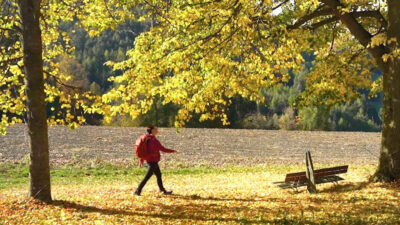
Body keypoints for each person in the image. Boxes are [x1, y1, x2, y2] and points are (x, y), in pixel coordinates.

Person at [135, 126, 177, 196]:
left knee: (159, 175)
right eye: (156, 129)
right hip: (152, 161)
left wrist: (141, 159)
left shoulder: (148, 138)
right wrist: (172, 151)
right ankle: (137, 191)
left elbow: (145, 150)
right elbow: (162, 148)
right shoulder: (152, 140)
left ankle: (162, 190)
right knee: (147, 177)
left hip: (152, 161)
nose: (157, 131)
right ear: (152, 130)